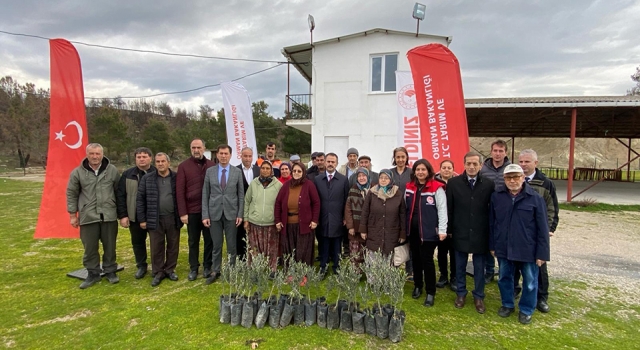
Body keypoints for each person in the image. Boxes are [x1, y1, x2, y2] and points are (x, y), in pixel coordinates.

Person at [490, 164, 550, 325]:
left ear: (523, 178)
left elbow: (543, 228)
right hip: (504, 247)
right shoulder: (497, 196)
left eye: (516, 177)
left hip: (528, 249)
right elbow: (492, 223)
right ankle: (507, 304)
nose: (512, 180)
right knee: (504, 278)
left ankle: (526, 309)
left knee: (530, 281)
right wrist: (492, 245)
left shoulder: (535, 198)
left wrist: (542, 253)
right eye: (509, 177)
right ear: (504, 179)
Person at [446, 151, 495, 314]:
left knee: (479, 267)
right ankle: (461, 293)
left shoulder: (489, 184)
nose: (472, 167)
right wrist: (450, 230)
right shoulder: (453, 184)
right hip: (460, 231)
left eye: (475, 164)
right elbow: (449, 209)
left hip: (481, 232)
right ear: (464, 164)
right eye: (469, 163)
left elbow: (492, 210)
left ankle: (479, 295)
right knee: (459, 265)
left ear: (480, 165)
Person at [66, 143, 120, 289]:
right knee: (89, 247)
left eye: (97, 154)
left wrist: (121, 214)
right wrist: (73, 215)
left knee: (110, 246)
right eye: (92, 154)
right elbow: (72, 194)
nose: (95, 156)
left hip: (109, 215)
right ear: (87, 154)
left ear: (102, 154)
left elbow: (118, 191)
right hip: (88, 216)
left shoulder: (112, 170)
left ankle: (110, 271)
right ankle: (92, 273)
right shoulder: (77, 173)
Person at [517, 149, 559, 313]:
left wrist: (548, 229)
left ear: (536, 163)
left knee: (539, 266)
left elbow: (552, 208)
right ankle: (515, 291)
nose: (523, 165)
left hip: (536, 233)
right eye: (521, 162)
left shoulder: (545, 183)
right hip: (518, 231)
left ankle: (541, 297)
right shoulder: (514, 180)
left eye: (527, 162)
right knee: (514, 265)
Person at [405, 159, 447, 307]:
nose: (420, 172)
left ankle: (430, 292)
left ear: (429, 171)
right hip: (413, 231)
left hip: (429, 232)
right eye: (418, 170)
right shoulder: (409, 187)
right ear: (414, 172)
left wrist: (442, 230)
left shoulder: (436, 188)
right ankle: (418, 285)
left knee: (427, 261)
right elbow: (405, 208)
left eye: (423, 169)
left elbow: (442, 210)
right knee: (415, 259)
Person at [136, 153, 183, 287]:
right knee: (157, 246)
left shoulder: (176, 177)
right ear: (155, 163)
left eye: (163, 161)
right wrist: (142, 219)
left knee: (173, 246)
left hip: (173, 217)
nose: (160, 164)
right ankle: (158, 271)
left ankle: (169, 270)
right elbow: (140, 199)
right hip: (154, 218)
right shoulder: (147, 178)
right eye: (158, 162)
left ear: (168, 163)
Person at [202, 144, 245, 284]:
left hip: (231, 214)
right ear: (217, 155)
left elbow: (240, 195)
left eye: (226, 153)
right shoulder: (210, 171)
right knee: (216, 245)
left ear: (230, 155)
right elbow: (205, 194)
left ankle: (231, 270)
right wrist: (205, 215)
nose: (223, 156)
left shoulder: (237, 172)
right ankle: (215, 270)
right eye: (221, 153)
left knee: (232, 245)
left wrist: (240, 214)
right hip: (214, 213)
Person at [177, 138, 215, 281]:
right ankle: (194, 268)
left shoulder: (212, 165)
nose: (196, 150)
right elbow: (179, 192)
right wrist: (183, 213)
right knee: (193, 241)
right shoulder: (183, 166)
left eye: (199, 147)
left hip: (209, 212)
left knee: (209, 240)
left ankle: (207, 266)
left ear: (204, 148)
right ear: (190, 149)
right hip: (191, 211)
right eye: (193, 147)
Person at [117, 147, 155, 279]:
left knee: (156, 242)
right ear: (135, 159)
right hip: (134, 216)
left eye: (144, 156)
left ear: (150, 158)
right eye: (139, 157)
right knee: (138, 242)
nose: (142, 159)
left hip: (153, 215)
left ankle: (157, 266)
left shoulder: (157, 172)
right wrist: (123, 215)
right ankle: (141, 266)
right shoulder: (128, 175)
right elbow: (121, 196)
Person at [275, 162, 320, 266]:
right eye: (294, 171)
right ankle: (290, 273)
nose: (296, 173)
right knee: (289, 250)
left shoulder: (309, 185)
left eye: (299, 171)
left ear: (303, 172)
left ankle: (303, 274)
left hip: (304, 224)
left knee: (303, 250)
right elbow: (278, 203)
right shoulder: (286, 185)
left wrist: (314, 220)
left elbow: (316, 203)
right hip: (288, 224)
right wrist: (278, 220)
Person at [480, 139, 511, 284]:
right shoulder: (483, 168)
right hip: (486, 209)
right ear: (491, 151)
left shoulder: (511, 168)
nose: (498, 154)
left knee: (505, 240)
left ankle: (506, 271)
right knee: (488, 240)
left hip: (505, 210)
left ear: (506, 152)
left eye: (501, 151)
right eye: (495, 151)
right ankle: (489, 270)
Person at [314, 152, 350, 277]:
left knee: (336, 246)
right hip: (322, 218)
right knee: (323, 245)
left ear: (337, 163)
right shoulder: (318, 179)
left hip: (337, 218)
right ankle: (323, 267)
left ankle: (336, 267)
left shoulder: (343, 180)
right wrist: (315, 217)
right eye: (328, 161)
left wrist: (345, 217)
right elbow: (315, 200)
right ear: (324, 162)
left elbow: (347, 200)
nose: (330, 164)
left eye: (333, 162)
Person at [243, 161, 282, 272]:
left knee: (272, 249)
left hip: (271, 223)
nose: (265, 170)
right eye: (263, 168)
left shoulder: (278, 185)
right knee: (254, 248)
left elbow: (282, 204)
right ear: (260, 170)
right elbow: (247, 201)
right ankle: (255, 269)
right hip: (254, 222)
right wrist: (246, 219)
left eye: (267, 168)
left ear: (271, 170)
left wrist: (279, 220)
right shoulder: (254, 183)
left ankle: (272, 270)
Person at [359, 169, 406, 256]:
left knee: (388, 262)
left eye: (386, 178)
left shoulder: (397, 194)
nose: (383, 180)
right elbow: (365, 211)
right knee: (373, 262)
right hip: (374, 232)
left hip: (391, 233)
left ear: (391, 180)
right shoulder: (372, 192)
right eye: (381, 178)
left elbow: (402, 215)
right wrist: (363, 230)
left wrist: (402, 233)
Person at [390, 146, 414, 279]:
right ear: (394, 158)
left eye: (402, 157)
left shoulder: (412, 173)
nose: (400, 159)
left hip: (409, 212)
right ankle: (394, 266)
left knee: (409, 240)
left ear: (406, 158)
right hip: (393, 213)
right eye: (398, 157)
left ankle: (410, 270)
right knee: (394, 240)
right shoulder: (389, 173)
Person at [433, 159, 457, 291]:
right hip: (439, 223)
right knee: (442, 252)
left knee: (454, 252)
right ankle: (443, 275)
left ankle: (454, 277)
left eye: (449, 167)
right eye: (444, 167)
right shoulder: (435, 183)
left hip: (454, 223)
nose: (446, 170)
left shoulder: (458, 183)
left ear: (453, 169)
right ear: (440, 169)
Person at [344, 167, 372, 270]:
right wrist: (350, 226)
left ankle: (369, 273)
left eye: (363, 176)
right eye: (359, 176)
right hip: (355, 227)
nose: (361, 178)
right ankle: (355, 274)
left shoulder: (373, 189)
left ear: (368, 177)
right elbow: (348, 209)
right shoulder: (353, 189)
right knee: (355, 253)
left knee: (369, 253)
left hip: (370, 228)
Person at [237, 147, 260, 261]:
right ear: (241, 156)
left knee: (254, 235)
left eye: (250, 156)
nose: (247, 158)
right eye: (245, 156)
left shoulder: (258, 170)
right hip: (240, 208)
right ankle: (241, 259)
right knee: (240, 235)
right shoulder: (235, 170)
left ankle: (254, 259)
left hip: (256, 208)